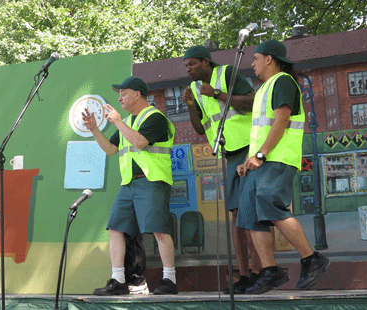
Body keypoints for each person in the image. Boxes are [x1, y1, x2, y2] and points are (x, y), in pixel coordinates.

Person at [236, 39, 329, 294]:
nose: (252, 64)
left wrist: (261, 155)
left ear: (269, 59)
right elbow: (261, 130)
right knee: (250, 214)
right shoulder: (265, 88)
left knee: (269, 203)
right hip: (262, 161)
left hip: (277, 158)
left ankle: (312, 258)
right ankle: (269, 270)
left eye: (255, 58)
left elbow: (282, 119)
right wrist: (249, 160)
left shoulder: (283, 81)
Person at [83, 76, 178, 295]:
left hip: (152, 180)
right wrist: (94, 129)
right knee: (115, 228)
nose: (120, 98)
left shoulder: (155, 117)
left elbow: (139, 142)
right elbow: (110, 149)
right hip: (128, 183)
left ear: (138, 94)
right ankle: (118, 280)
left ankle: (170, 280)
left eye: (123, 93)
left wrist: (117, 121)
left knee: (159, 231)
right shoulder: (129, 121)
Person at [182, 45, 262, 294]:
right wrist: (190, 106)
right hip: (229, 155)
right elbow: (199, 128)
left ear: (206, 62)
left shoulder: (227, 73)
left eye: (192, 64)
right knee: (236, 215)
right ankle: (245, 275)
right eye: (186, 65)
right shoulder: (195, 89)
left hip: (249, 149)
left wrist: (216, 93)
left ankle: (262, 273)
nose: (188, 69)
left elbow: (251, 103)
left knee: (251, 213)